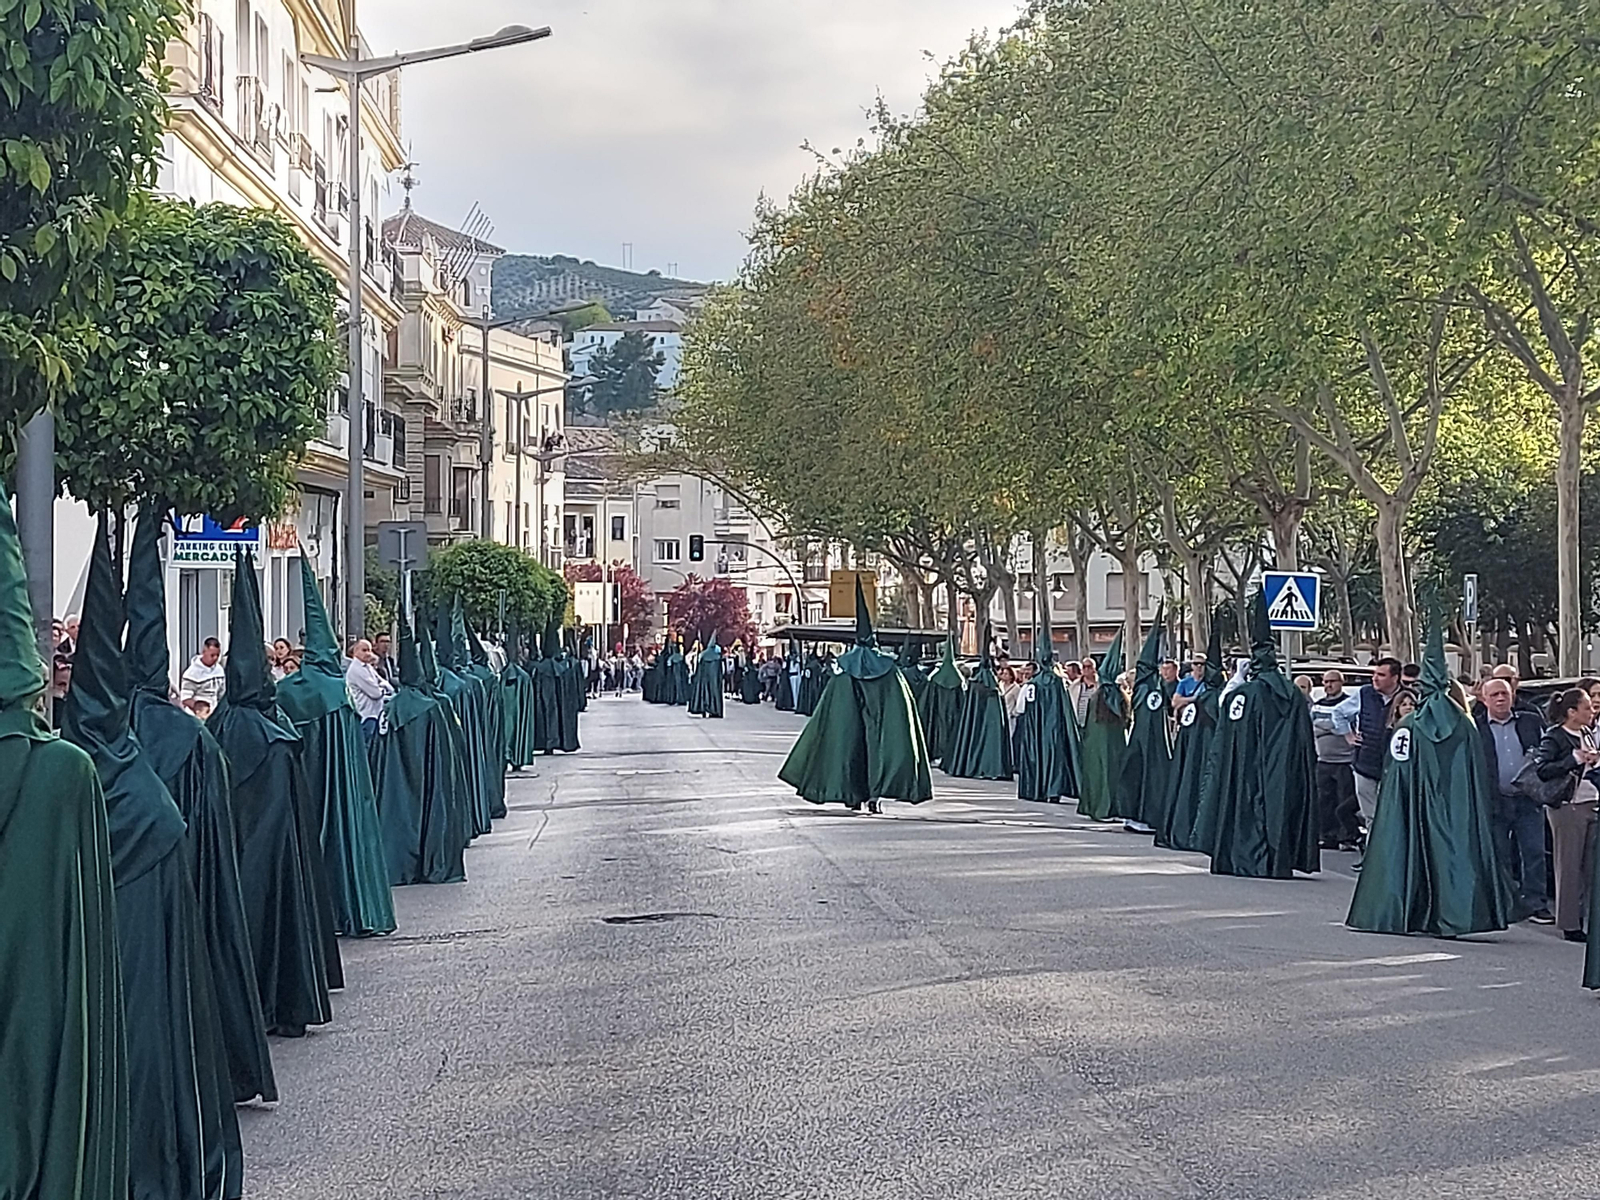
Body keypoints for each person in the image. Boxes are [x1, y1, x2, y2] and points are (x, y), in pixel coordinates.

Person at [1346, 611, 1511, 938]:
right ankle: (1455, 912)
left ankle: (1411, 909)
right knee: (1451, 854)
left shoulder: (1410, 725)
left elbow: (1396, 772)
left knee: (1413, 854)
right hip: (1454, 813)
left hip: (1413, 809)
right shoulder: (1464, 726)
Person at [1475, 677, 1551, 923]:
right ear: (1484, 699)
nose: (1500, 698)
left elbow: (1546, 753)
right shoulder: (1476, 729)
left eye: (1504, 694)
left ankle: (1535, 903)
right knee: (1500, 854)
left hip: (1527, 799)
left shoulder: (1530, 721)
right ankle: (1506, 902)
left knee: (1534, 852)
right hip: (1495, 800)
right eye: (1494, 694)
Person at [1532, 688, 1599, 942]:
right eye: (1587, 708)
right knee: (1569, 865)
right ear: (1572, 712)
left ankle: (1590, 919)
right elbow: (1543, 769)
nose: (1592, 712)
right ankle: (1570, 922)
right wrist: (1574, 758)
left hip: (1591, 801)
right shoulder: (1555, 736)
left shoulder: (1587, 733)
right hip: (1567, 806)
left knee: (1591, 868)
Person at [1329, 656, 1404, 865]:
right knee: (1371, 816)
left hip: (1394, 766)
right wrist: (1349, 736)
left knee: (1392, 815)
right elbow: (1339, 713)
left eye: (1381, 675)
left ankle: (1394, 860)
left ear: (1395, 678)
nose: (1375, 679)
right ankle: (1373, 861)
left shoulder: (1406, 697)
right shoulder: (1365, 694)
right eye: (1374, 674)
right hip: (1365, 764)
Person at [1309, 669, 1361, 851]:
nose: (1328, 685)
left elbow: (1345, 727)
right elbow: (1313, 728)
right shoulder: (1318, 705)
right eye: (1325, 682)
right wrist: (1332, 726)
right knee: (1324, 800)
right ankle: (1328, 836)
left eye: (1332, 681)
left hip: (1344, 761)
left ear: (1341, 682)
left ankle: (1346, 837)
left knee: (1344, 799)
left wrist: (1330, 726)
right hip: (1323, 760)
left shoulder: (1349, 704)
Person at [344, 638, 395, 747]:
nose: (368, 653)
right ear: (355, 651)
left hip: (376, 714)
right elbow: (375, 693)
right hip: (366, 716)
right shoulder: (356, 669)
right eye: (364, 650)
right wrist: (381, 689)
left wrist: (381, 687)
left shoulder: (367, 667)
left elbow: (387, 685)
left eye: (370, 650)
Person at [180, 636, 225, 712]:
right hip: (197, 712)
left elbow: (222, 694)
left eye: (217, 655)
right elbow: (185, 699)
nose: (215, 658)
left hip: (216, 711)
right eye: (212, 655)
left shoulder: (220, 670)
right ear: (204, 652)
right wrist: (200, 708)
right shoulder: (191, 673)